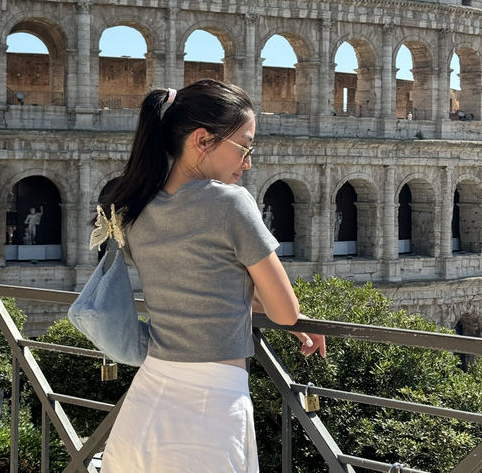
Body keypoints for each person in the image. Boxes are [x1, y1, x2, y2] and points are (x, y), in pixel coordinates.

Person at [97, 79, 325, 473]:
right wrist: (287, 316)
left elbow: (200, 279)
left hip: (147, 398)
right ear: (202, 140)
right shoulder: (231, 204)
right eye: (245, 146)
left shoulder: (136, 209)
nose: (248, 161)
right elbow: (286, 311)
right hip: (209, 406)